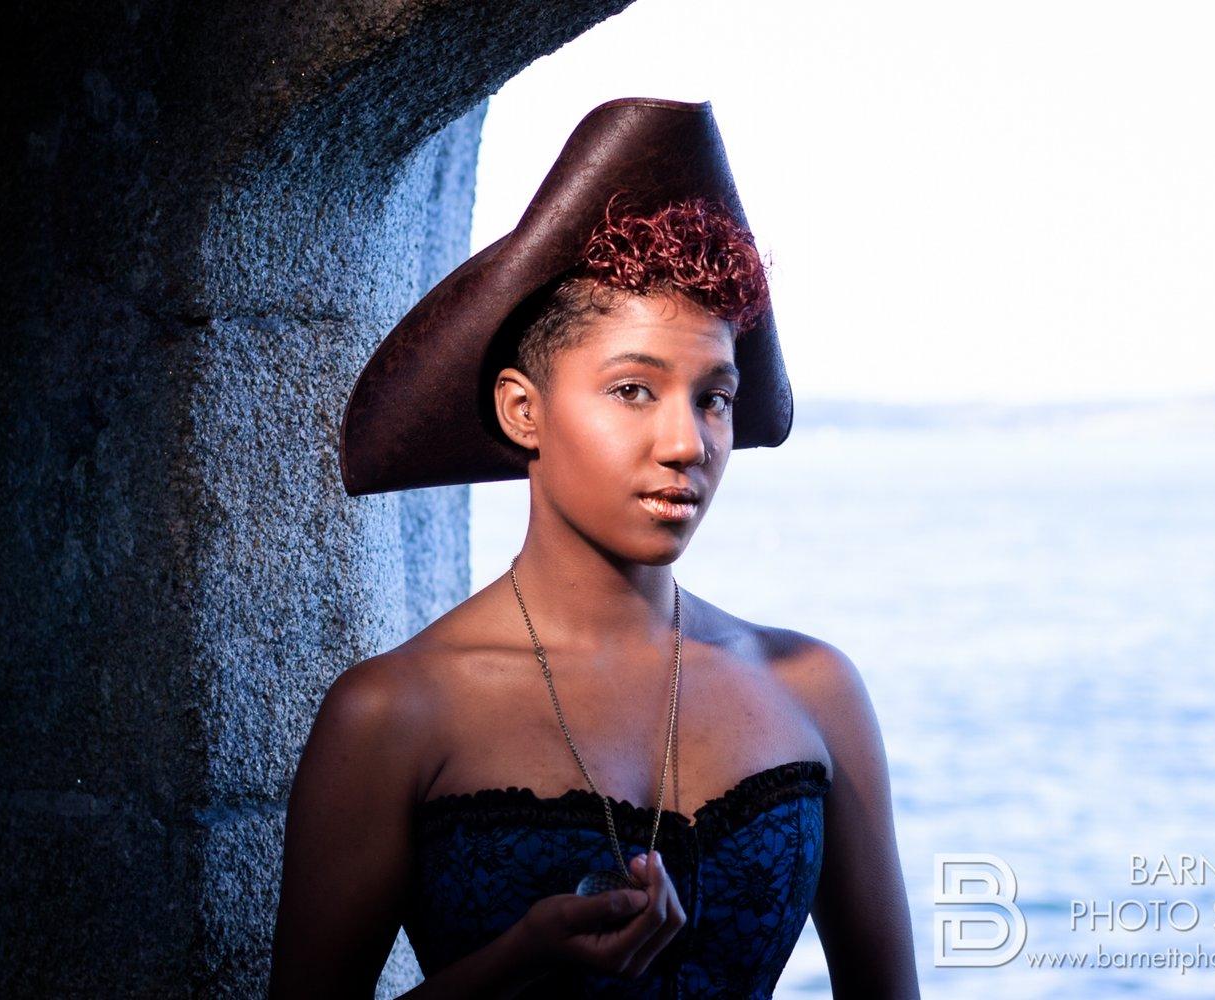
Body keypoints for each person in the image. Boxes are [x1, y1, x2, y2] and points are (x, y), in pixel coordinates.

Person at [270, 97, 919, 999]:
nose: (688, 443)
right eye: (632, 390)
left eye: (715, 398)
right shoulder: (392, 715)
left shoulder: (813, 689)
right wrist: (515, 966)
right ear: (521, 410)